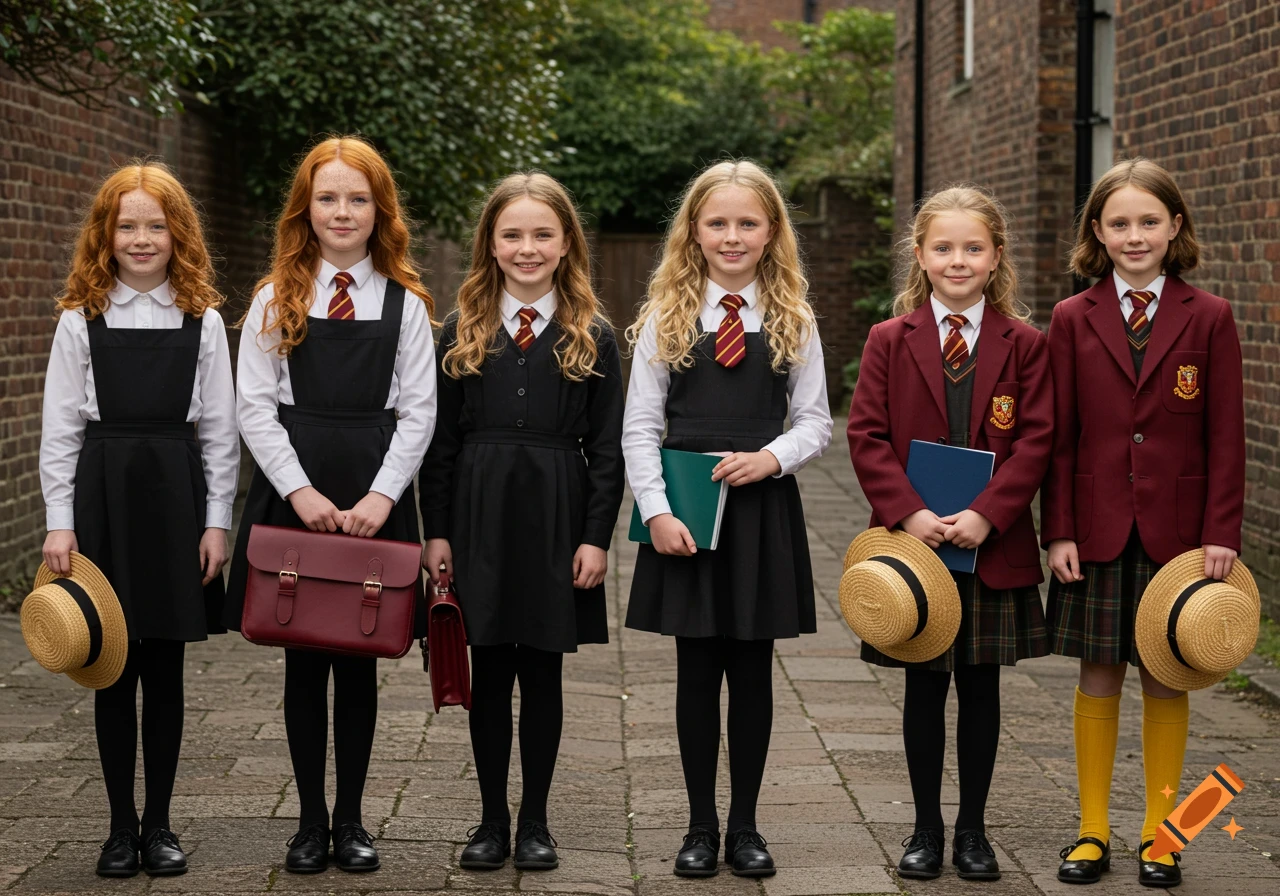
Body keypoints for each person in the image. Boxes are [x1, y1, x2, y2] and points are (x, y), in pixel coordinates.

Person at [224, 136, 437, 874]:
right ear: (304, 209)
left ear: (379, 210)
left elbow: (419, 412)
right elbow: (252, 408)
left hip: (372, 491)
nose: (342, 212)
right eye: (327, 198)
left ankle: (352, 820)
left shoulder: (405, 303)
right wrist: (301, 492)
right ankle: (309, 822)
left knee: (359, 658)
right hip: (298, 492)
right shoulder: (272, 298)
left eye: (357, 198)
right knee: (304, 658)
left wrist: (383, 496)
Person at [623, 159, 832, 878]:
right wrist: (654, 512)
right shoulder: (664, 318)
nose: (732, 236)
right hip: (687, 515)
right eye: (718, 223)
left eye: (748, 223)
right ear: (695, 231)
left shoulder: (793, 319)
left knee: (752, 672)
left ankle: (744, 825)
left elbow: (815, 423)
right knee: (693, 671)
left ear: (772, 231)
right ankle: (698, 825)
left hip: (759, 512)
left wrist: (771, 458)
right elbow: (639, 427)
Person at [1044, 158, 1245, 888]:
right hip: (1095, 528)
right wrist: (1057, 529)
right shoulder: (1071, 318)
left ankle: (1165, 835)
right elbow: (1056, 435)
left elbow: (1227, 436)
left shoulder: (1211, 316)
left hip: (1182, 533)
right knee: (1099, 674)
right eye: (1119, 223)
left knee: (1168, 677)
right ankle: (1091, 832)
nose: (1135, 236)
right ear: (1097, 232)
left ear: (1175, 227)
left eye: (1149, 222)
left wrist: (1221, 531)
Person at [419, 172, 624, 871]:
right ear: (491, 244)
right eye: (513, 234)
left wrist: (596, 536)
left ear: (567, 243)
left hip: (557, 516)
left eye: (542, 234)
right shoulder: (459, 330)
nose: (527, 248)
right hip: (478, 513)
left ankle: (535, 821)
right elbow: (438, 443)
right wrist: (436, 529)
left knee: (541, 672)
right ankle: (490, 820)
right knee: (488, 670)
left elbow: (608, 449)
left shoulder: (593, 336)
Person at [847, 185, 1053, 881]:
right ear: (921, 256)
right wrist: (908, 513)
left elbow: (1037, 439)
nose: (958, 260)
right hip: (915, 549)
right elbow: (867, 434)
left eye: (973, 248)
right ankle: (925, 830)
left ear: (996, 258)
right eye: (944, 248)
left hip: (990, 548)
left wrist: (987, 515)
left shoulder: (1026, 344)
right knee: (924, 689)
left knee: (981, 689)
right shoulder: (887, 338)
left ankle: (973, 832)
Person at [40, 161, 239, 877]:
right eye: (127, 225)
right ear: (106, 233)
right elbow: (59, 429)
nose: (142, 237)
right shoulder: (79, 318)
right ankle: (118, 828)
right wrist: (60, 521)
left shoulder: (203, 319)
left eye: (156, 224)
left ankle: (160, 825)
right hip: (103, 496)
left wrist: (217, 523)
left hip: (175, 497)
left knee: (166, 665)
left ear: (177, 232)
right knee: (109, 662)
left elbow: (220, 432)